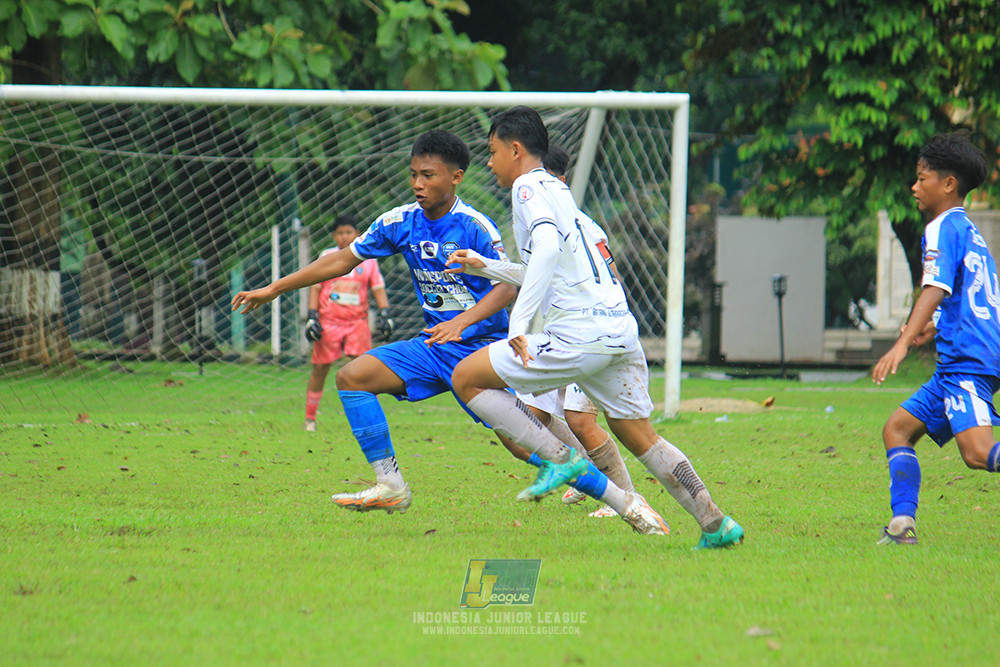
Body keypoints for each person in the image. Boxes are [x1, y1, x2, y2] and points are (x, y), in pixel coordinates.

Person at [232, 130, 666, 535]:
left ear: (455, 178)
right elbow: (343, 260)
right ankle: (390, 485)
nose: (417, 184)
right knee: (352, 378)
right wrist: (273, 288)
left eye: (428, 175)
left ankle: (627, 503)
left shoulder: (475, 227)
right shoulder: (399, 221)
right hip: (433, 345)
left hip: (479, 350)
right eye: (413, 175)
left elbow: (506, 286)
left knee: (528, 447)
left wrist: (463, 321)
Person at [447, 106, 744, 548]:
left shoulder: (527, 188)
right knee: (640, 434)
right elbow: (545, 265)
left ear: (515, 149)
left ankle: (559, 460)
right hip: (618, 331)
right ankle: (717, 524)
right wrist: (487, 266)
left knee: (465, 378)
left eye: (492, 152)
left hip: (577, 333)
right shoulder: (560, 192)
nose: (489, 163)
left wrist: (518, 325)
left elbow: (546, 249)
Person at [871, 131, 999, 545]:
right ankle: (901, 526)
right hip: (960, 360)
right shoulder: (968, 230)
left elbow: (936, 288)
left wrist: (903, 341)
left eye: (922, 178)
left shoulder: (942, 228)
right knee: (897, 430)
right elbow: (968, 297)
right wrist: (933, 327)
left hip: (966, 360)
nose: (914, 186)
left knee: (978, 453)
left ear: (948, 184)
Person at [303, 214, 392, 432]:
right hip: (329, 322)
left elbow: (378, 288)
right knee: (320, 369)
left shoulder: (368, 260)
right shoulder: (327, 256)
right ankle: (310, 419)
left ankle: (371, 419)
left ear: (357, 234)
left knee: (363, 370)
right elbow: (315, 287)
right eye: (340, 233)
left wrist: (385, 314)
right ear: (334, 236)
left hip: (357, 324)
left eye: (349, 232)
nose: (344, 237)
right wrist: (312, 316)